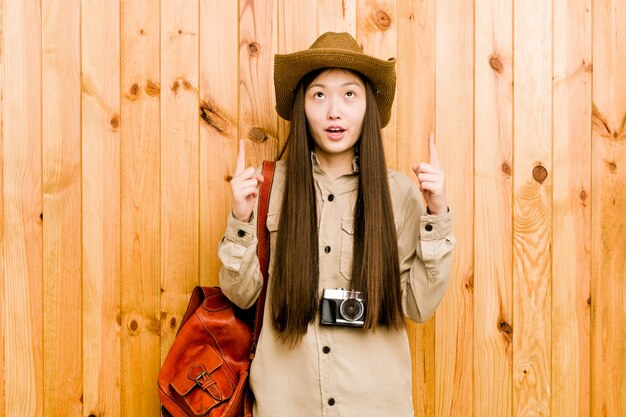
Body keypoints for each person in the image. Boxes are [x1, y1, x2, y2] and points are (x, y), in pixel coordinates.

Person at [218, 32, 455, 417]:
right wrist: (241, 219)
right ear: (301, 106)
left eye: (349, 94)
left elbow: (418, 305)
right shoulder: (268, 188)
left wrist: (438, 214)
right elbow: (241, 296)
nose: (334, 111)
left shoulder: (399, 194)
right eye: (319, 95)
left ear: (367, 107)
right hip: (285, 406)